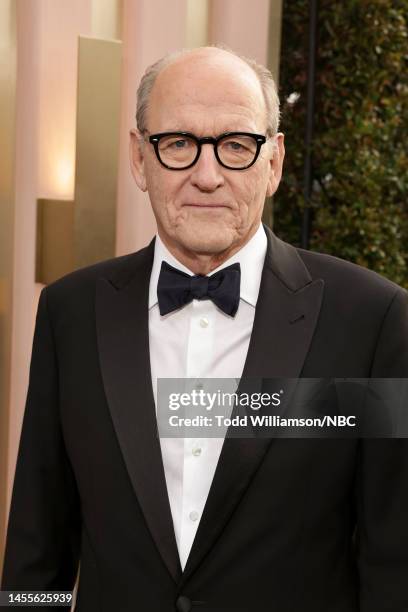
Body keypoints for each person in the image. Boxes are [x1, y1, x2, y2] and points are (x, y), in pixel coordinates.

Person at [2, 46, 408, 612]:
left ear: (275, 163)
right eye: (179, 145)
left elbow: (394, 561)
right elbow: (36, 544)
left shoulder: (373, 318)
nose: (207, 175)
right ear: (140, 159)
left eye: (237, 146)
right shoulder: (70, 313)